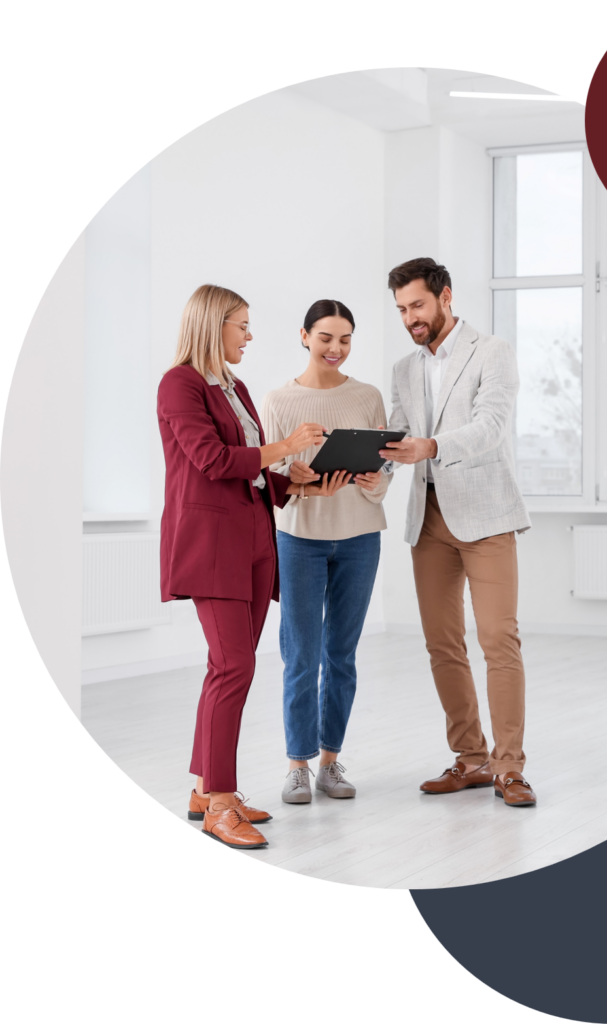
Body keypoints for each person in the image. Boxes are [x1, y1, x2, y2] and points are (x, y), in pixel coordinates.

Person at [157, 284, 350, 850]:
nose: (248, 335)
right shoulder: (180, 384)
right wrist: (286, 442)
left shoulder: (234, 387)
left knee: (227, 669)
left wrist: (301, 482)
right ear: (213, 326)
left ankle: (204, 790)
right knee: (233, 667)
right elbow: (213, 460)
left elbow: (255, 474)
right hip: (211, 547)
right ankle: (220, 802)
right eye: (241, 325)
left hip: (252, 545)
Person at [379, 258, 537, 806]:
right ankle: (470, 758)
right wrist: (366, 462)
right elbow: (398, 435)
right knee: (443, 644)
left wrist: (432, 446)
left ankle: (509, 767)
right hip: (428, 519)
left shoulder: (491, 352)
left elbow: (490, 428)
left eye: (417, 305)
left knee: (498, 640)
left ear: (446, 296)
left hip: (486, 517)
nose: (410, 318)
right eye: (401, 309)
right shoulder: (403, 368)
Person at [261, 299, 390, 805]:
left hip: (360, 535)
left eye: (345, 339)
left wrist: (372, 479)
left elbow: (383, 473)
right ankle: (298, 764)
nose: (336, 348)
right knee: (301, 652)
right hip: (298, 538)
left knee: (341, 653)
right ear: (303, 336)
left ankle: (331, 761)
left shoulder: (367, 396)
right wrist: (297, 479)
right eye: (326, 338)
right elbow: (269, 479)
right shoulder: (277, 401)